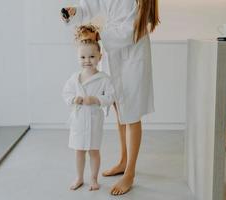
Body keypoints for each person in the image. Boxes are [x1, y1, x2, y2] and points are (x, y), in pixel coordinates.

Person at [61, 0, 160, 195]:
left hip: (132, 52)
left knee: (131, 114)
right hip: (113, 52)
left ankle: (130, 172)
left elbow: (133, 28)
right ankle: (123, 161)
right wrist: (75, 12)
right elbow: (90, 6)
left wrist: (99, 35)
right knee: (119, 109)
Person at [62, 24, 115, 191]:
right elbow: (66, 93)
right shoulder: (75, 78)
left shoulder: (104, 79)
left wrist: (96, 99)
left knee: (93, 150)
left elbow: (111, 97)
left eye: (92, 57)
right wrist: (73, 100)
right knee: (79, 150)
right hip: (78, 120)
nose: (87, 61)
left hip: (93, 120)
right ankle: (79, 177)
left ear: (100, 56)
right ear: (78, 58)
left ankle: (93, 178)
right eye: (83, 57)